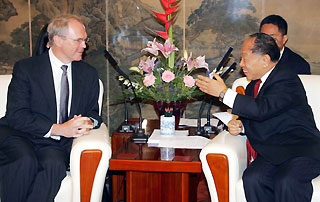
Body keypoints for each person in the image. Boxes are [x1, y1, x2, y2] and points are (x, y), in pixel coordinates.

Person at [195, 33, 320, 202]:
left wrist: (224, 93)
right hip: (273, 150)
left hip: (301, 149)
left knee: (287, 181)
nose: (241, 64)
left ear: (265, 59)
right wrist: (241, 126)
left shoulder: (286, 79)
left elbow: (263, 109)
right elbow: (259, 116)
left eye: (245, 58)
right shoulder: (254, 85)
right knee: (253, 179)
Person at [0, 14, 102, 202]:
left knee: (54, 165)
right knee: (24, 161)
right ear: (57, 40)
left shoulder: (88, 74)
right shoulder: (26, 68)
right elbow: (16, 115)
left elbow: (93, 111)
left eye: (84, 40)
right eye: (78, 40)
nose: (84, 46)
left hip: (53, 144)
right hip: (19, 134)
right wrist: (58, 128)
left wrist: (88, 121)